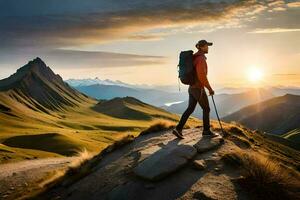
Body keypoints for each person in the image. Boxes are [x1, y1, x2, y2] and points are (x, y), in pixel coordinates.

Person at [172, 40, 219, 139]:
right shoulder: (201, 59)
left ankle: (178, 129)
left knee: (190, 108)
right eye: (206, 46)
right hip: (198, 88)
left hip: (192, 88)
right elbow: (202, 76)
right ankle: (206, 131)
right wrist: (210, 89)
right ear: (201, 47)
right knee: (206, 109)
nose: (208, 48)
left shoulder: (194, 58)